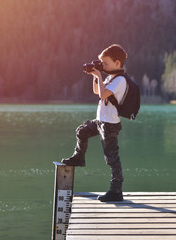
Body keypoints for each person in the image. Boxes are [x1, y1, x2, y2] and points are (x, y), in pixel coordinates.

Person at [61, 44, 128, 202]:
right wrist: (95, 76)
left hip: (110, 123)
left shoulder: (120, 80)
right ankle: (78, 157)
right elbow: (97, 92)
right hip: (101, 121)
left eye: (106, 63)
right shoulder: (111, 77)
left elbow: (104, 94)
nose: (103, 66)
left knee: (111, 157)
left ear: (117, 63)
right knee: (82, 131)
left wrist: (98, 75)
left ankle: (116, 190)